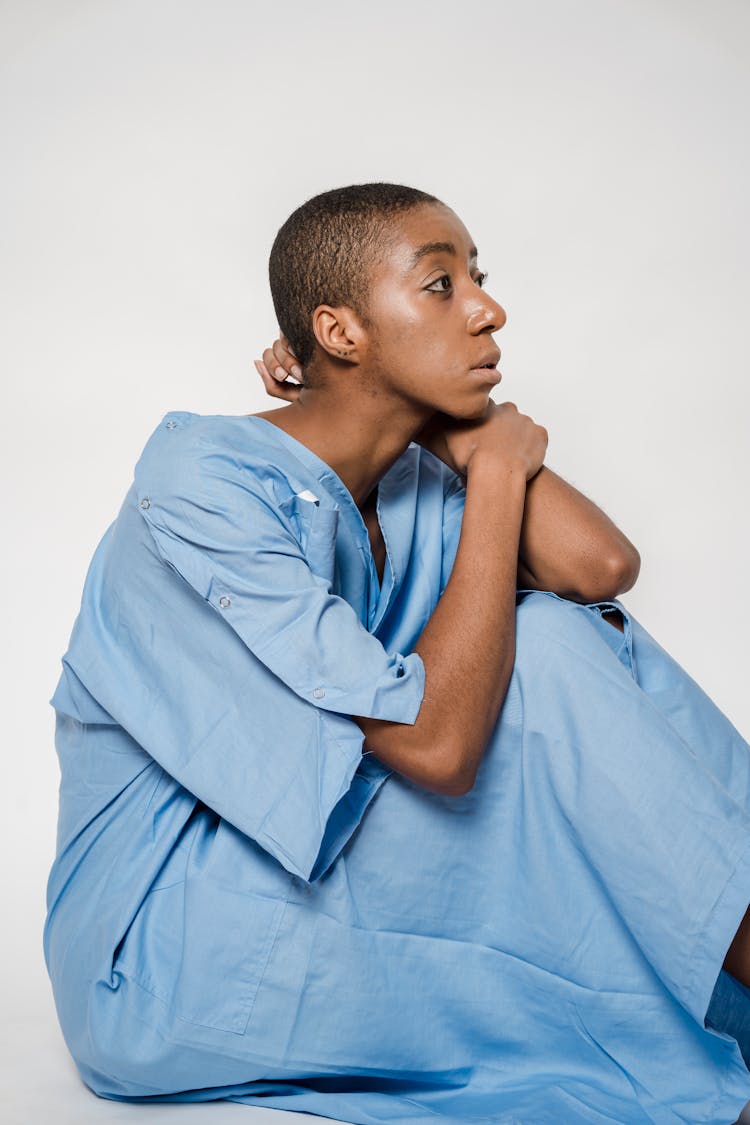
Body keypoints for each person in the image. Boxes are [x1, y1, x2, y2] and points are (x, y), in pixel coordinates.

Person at [44, 182, 750, 1125]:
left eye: (478, 281)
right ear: (340, 333)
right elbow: (442, 751)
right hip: (167, 948)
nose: (488, 309)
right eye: (440, 286)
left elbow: (601, 566)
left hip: (304, 886)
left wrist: (449, 429)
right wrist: (496, 469)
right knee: (534, 656)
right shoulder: (202, 487)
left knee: (561, 634)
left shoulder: (409, 474)